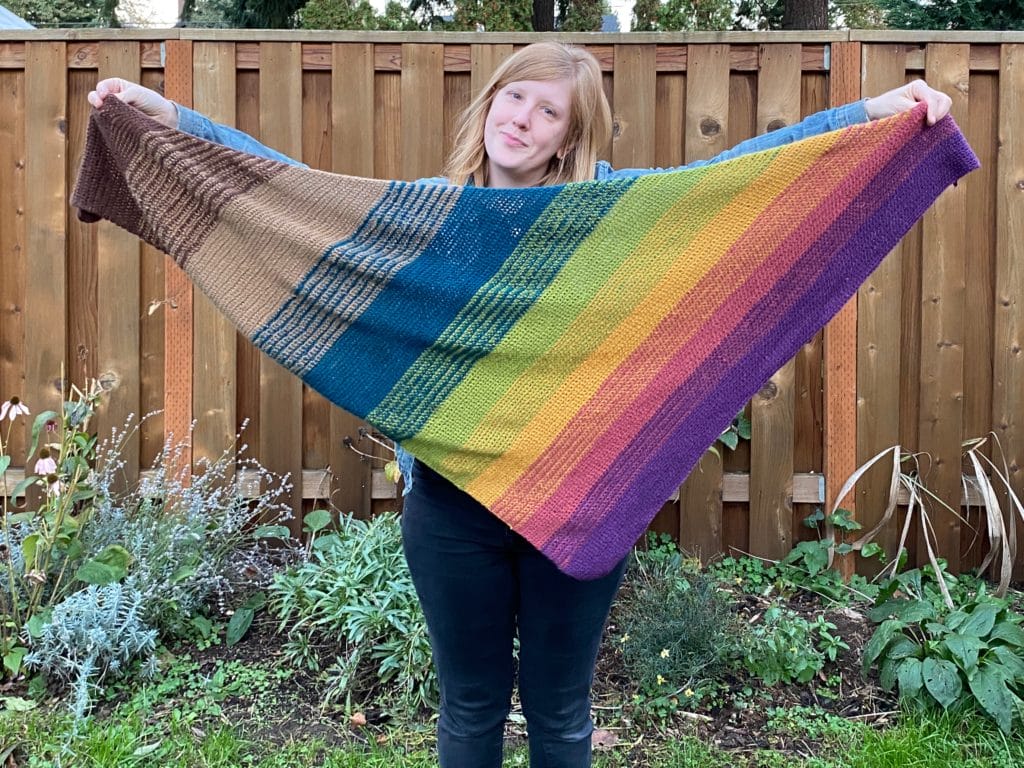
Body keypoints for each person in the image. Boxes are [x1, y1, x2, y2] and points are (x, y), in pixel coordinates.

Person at [89, 42, 952, 768]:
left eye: (550, 114)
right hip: (452, 510)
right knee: (468, 708)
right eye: (517, 97)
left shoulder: (605, 218)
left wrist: (873, 113)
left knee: (561, 713)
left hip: (579, 500)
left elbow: (743, 174)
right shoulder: (429, 221)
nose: (523, 120)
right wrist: (166, 120)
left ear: (569, 139)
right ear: (491, 100)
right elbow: (284, 191)